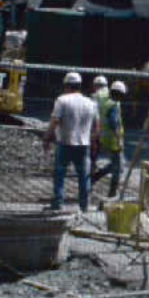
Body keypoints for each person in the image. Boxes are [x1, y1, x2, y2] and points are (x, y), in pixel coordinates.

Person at [43, 71, 100, 213]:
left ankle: (58, 204)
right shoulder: (90, 103)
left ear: (66, 85)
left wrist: (47, 137)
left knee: (60, 174)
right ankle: (84, 205)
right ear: (79, 85)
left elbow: (55, 120)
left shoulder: (62, 100)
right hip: (83, 144)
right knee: (83, 176)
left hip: (65, 143)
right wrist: (94, 142)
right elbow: (96, 126)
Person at [90, 80, 126, 200]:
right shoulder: (114, 105)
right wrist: (119, 140)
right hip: (113, 141)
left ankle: (95, 177)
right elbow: (114, 124)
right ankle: (112, 193)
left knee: (118, 165)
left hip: (105, 138)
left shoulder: (107, 103)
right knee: (119, 167)